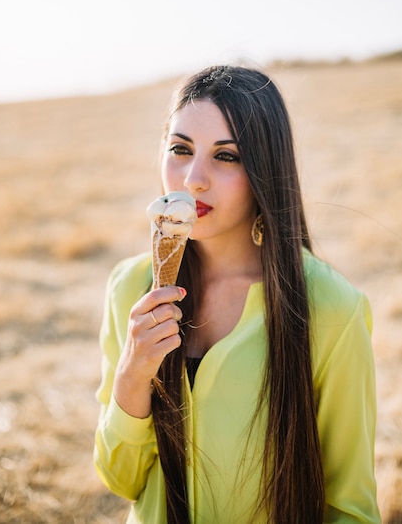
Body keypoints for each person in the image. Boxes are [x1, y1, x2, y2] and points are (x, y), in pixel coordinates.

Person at [93, 65, 380, 524]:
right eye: (180, 149)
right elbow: (121, 480)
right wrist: (133, 377)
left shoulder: (331, 308)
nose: (192, 179)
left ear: (266, 167)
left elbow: (351, 509)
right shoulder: (130, 286)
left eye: (226, 156)